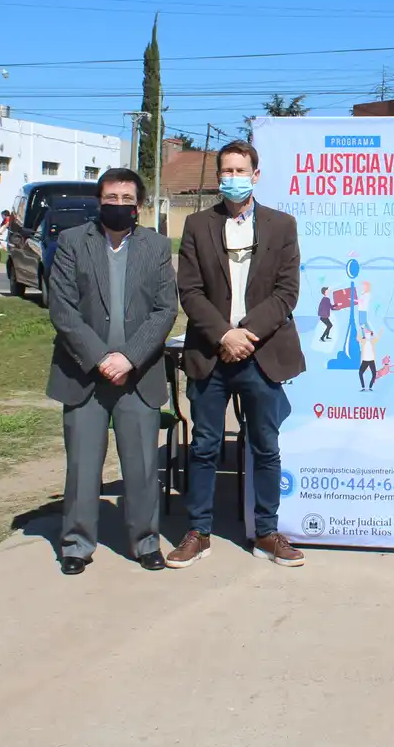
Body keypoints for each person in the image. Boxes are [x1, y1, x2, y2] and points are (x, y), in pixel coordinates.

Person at [169, 140, 307, 569]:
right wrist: (224, 335)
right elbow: (189, 291)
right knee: (206, 446)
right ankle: (198, 531)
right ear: (218, 177)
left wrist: (245, 334)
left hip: (261, 354)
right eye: (226, 171)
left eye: (240, 170)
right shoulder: (197, 225)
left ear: (256, 174)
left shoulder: (282, 226)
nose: (233, 178)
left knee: (266, 447)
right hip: (211, 355)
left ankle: (266, 532)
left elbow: (287, 293)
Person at [45, 167, 177, 576]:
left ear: (139, 206)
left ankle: (145, 542)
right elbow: (62, 309)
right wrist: (101, 358)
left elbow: (165, 310)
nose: (118, 205)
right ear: (98, 201)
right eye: (110, 198)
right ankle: (76, 544)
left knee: (140, 467)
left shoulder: (155, 247)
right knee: (83, 467)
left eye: (126, 200)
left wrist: (129, 358)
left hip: (138, 375)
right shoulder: (71, 243)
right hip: (84, 374)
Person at [358, 326, 383, 391]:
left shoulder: (372, 341)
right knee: (360, 373)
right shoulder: (363, 341)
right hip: (365, 361)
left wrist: (381, 331)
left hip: (371, 360)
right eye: (367, 334)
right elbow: (358, 337)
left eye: (369, 334)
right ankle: (363, 387)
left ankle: (370, 387)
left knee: (374, 374)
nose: (368, 335)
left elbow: (378, 337)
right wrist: (361, 329)